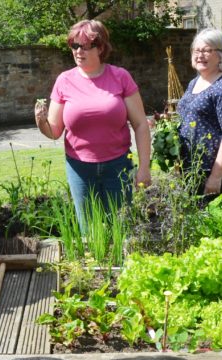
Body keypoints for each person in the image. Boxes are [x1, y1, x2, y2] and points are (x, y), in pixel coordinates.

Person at [34, 19, 151, 226]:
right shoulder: (64, 80)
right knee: (89, 232)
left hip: (118, 165)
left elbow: (141, 124)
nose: (79, 51)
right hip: (80, 169)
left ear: (101, 48)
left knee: (122, 227)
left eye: (86, 46)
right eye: (75, 45)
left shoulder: (120, 77)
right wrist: (41, 122)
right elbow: (54, 132)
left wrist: (144, 168)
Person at [176, 28, 222, 201]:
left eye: (206, 50)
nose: (200, 55)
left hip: (210, 170)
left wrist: (215, 177)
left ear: (221, 55)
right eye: (197, 50)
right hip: (190, 167)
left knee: (210, 222)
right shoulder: (194, 82)